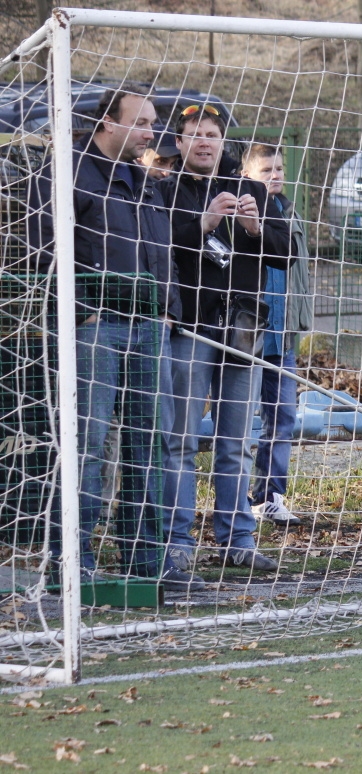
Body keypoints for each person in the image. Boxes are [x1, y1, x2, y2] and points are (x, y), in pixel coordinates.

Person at [26, 85, 202, 590]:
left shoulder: (143, 179)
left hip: (149, 328)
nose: (152, 131)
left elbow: (159, 246)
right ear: (108, 122)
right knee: (88, 444)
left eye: (152, 122)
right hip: (94, 327)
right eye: (143, 121)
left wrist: (168, 309)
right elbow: (43, 252)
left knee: (148, 445)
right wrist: (79, 312)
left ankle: (147, 563)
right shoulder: (64, 173)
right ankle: (71, 564)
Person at [159, 104, 289, 575]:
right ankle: (176, 541)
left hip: (244, 329)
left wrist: (255, 226)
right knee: (181, 440)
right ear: (179, 143)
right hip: (190, 329)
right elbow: (161, 248)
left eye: (211, 134)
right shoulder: (163, 190)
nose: (204, 142)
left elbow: (286, 254)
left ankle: (238, 539)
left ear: (222, 140)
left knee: (238, 442)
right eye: (194, 135)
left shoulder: (251, 189)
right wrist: (205, 224)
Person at [241, 143, 311, 525]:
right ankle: (233, 500)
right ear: (248, 175)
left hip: (281, 338)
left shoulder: (289, 213)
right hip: (245, 336)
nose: (276, 175)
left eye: (280, 168)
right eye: (267, 170)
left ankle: (269, 495)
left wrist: (298, 323)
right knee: (234, 422)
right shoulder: (241, 211)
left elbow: (297, 277)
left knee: (282, 417)